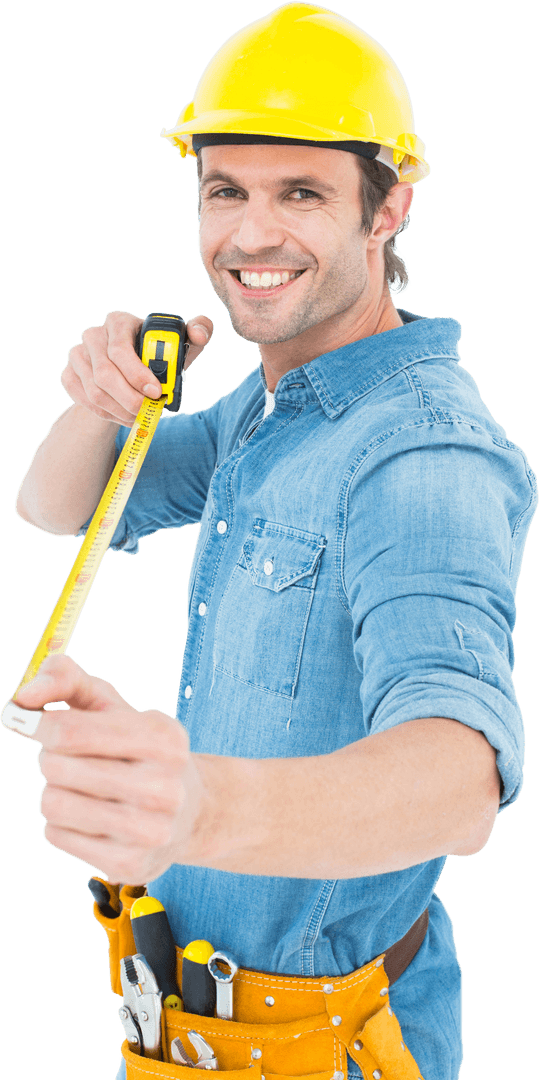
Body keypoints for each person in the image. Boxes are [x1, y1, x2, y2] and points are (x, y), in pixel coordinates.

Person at [5, 4, 537, 1078]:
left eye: (301, 193)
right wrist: (100, 397)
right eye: (225, 191)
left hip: (315, 1049)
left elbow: (458, 778)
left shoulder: (420, 454)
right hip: (188, 1029)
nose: (251, 235)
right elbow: (54, 508)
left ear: (386, 206)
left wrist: (196, 805)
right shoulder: (264, 412)